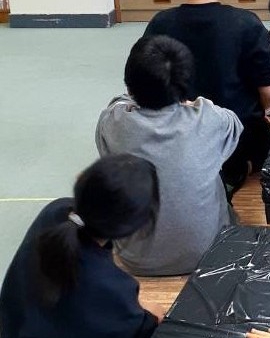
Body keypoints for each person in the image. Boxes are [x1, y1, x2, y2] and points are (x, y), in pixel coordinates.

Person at [0, 155, 164, 338]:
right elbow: (140, 330)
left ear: (80, 181)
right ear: (135, 228)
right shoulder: (105, 288)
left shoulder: (56, 213)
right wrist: (148, 318)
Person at [143, 0, 270, 194]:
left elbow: (145, 88)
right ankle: (235, 170)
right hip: (238, 138)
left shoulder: (159, 24)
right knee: (268, 141)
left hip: (178, 139)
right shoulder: (246, 24)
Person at [96, 35, 242, 276]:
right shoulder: (209, 118)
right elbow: (234, 123)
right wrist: (193, 103)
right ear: (186, 84)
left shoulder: (113, 122)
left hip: (137, 259)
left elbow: (115, 108)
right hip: (210, 252)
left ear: (129, 85)